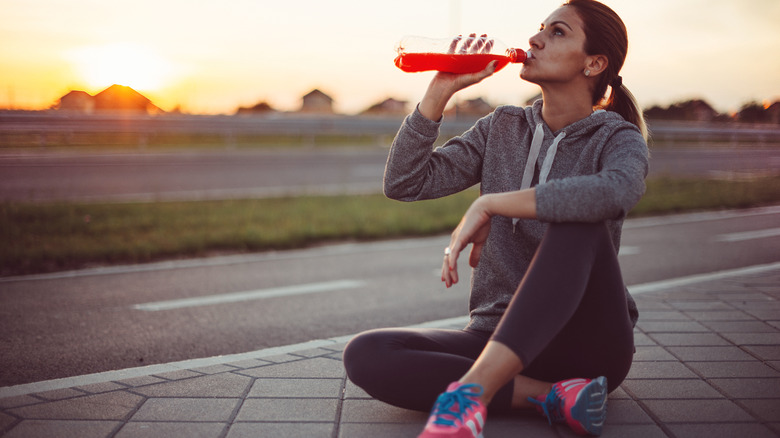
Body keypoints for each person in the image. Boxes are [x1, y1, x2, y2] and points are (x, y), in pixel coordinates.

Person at [343, 0, 649, 436]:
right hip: (494, 333)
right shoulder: (502, 127)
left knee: (579, 217)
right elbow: (406, 182)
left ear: (594, 62)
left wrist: (492, 203)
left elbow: (617, 191)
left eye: (557, 32)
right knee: (368, 352)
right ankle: (551, 396)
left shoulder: (616, 137)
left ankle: (470, 396)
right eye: (540, 27)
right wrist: (440, 89)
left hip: (587, 343)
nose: (535, 39)